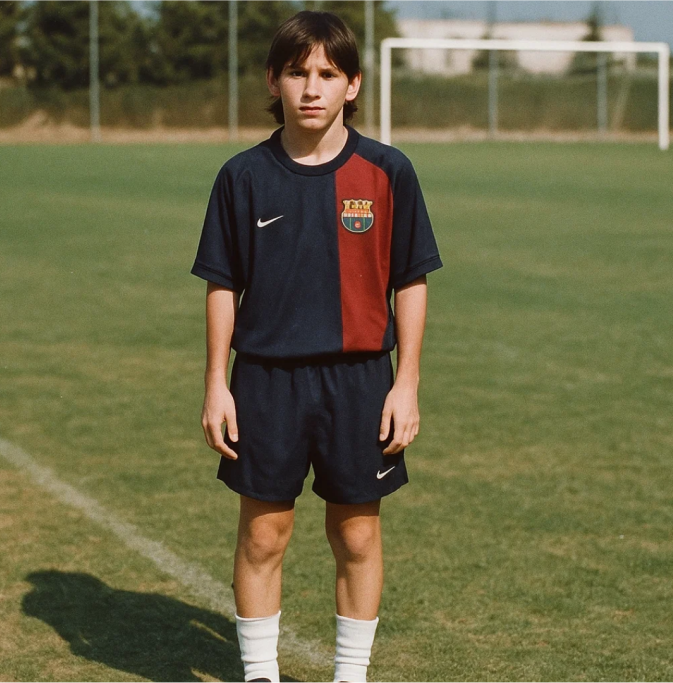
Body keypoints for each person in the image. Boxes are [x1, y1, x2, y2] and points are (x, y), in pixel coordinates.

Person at [191, 10, 443, 683]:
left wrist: (406, 381)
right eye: (298, 72)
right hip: (266, 382)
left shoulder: (390, 173)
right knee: (263, 533)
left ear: (353, 85)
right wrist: (217, 382)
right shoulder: (242, 177)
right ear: (273, 81)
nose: (312, 87)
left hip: (361, 380)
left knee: (357, 534)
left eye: (328, 73)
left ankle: (350, 676)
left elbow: (410, 281)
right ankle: (260, 674)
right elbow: (221, 285)